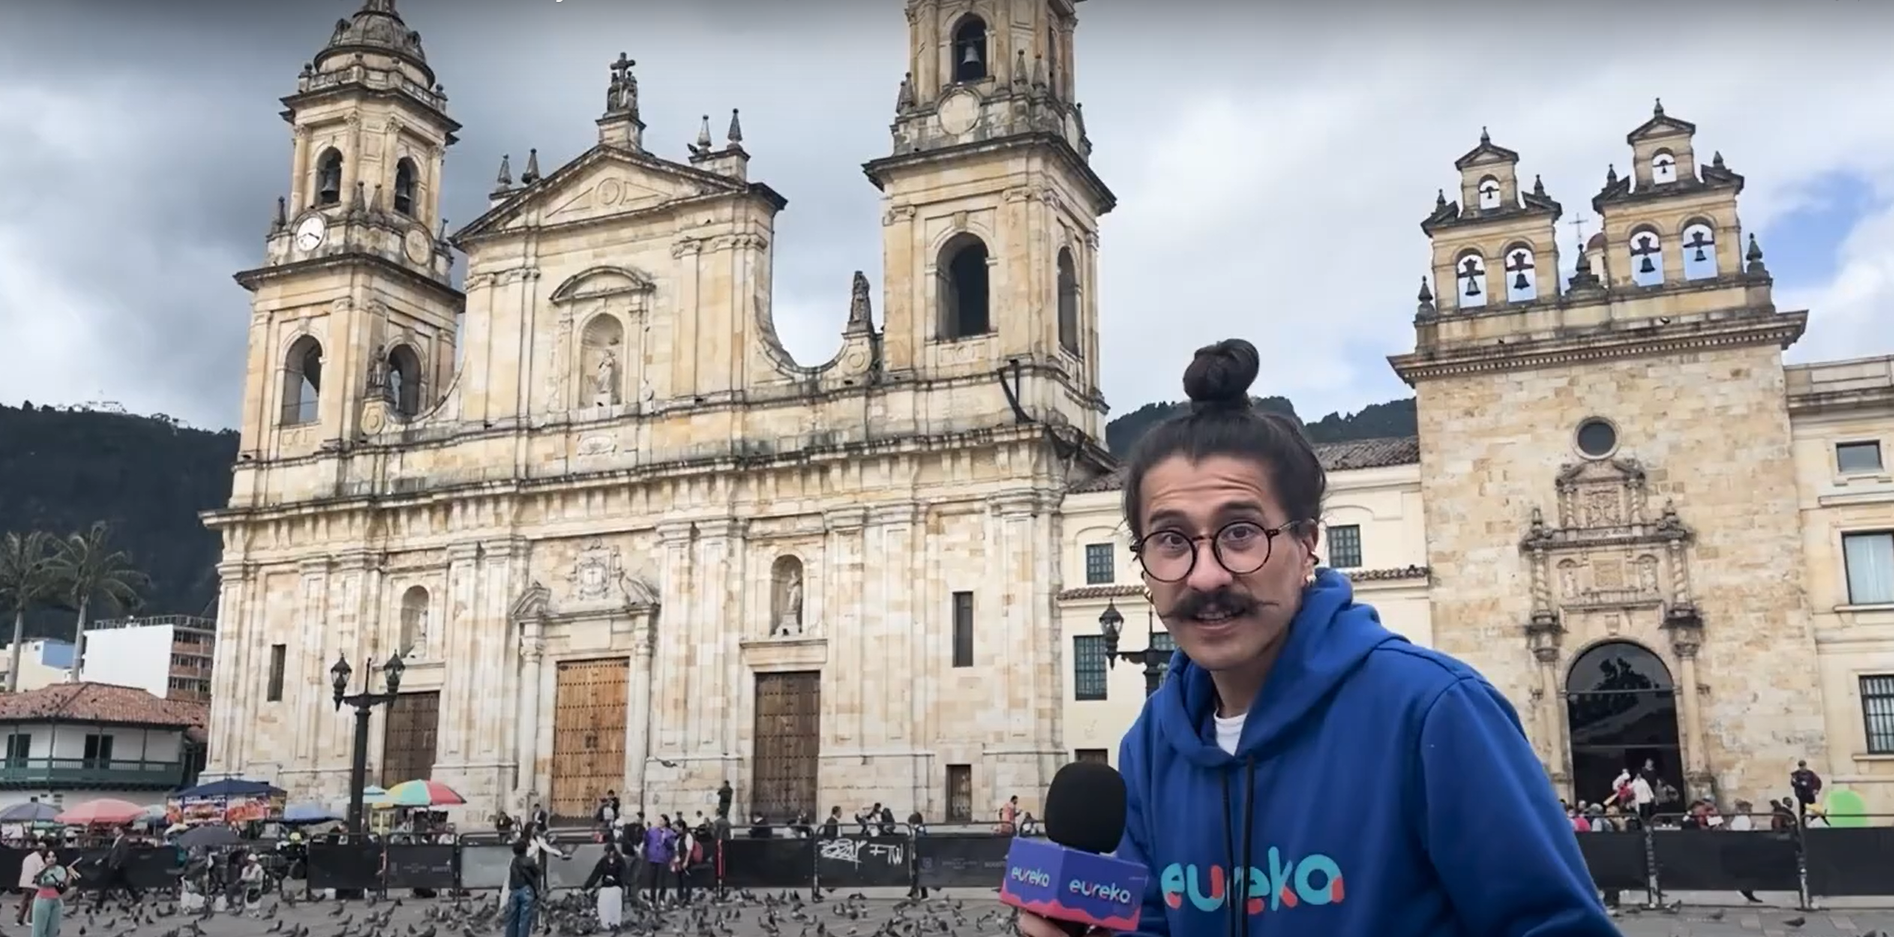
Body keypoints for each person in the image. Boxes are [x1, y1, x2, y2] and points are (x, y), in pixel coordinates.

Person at [1016, 340, 1616, 937]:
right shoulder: (1152, 743)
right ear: (1143, 564)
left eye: (1241, 532)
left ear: (1307, 544)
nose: (1206, 575)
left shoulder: (1434, 713)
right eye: (1171, 540)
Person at [28, 851, 76, 937]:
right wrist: (53, 880)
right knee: (39, 931)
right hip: (43, 900)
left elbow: (63, 887)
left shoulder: (60, 869)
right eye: (48, 857)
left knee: (53, 931)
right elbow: (41, 883)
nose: (51, 859)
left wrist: (70, 876)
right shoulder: (41, 869)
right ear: (44, 859)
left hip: (56, 901)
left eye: (53, 857)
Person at [582, 843, 627, 931]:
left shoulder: (620, 861)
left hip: (616, 885)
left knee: (614, 902)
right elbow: (596, 874)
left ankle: (615, 923)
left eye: (610, 852)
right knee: (602, 902)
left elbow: (623, 875)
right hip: (606, 885)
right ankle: (605, 923)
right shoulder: (603, 861)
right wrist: (587, 885)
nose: (609, 854)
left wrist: (618, 881)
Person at [503, 841, 539, 937]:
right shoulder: (530, 861)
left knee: (512, 918)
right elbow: (537, 873)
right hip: (526, 890)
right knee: (525, 919)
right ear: (526, 849)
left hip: (515, 890)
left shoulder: (513, 862)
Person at [15, 839, 47, 926]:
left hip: (24, 882)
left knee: (24, 901)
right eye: (44, 851)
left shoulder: (27, 858)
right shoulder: (38, 858)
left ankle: (19, 920)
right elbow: (42, 869)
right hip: (33, 883)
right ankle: (30, 920)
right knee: (33, 902)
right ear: (42, 850)